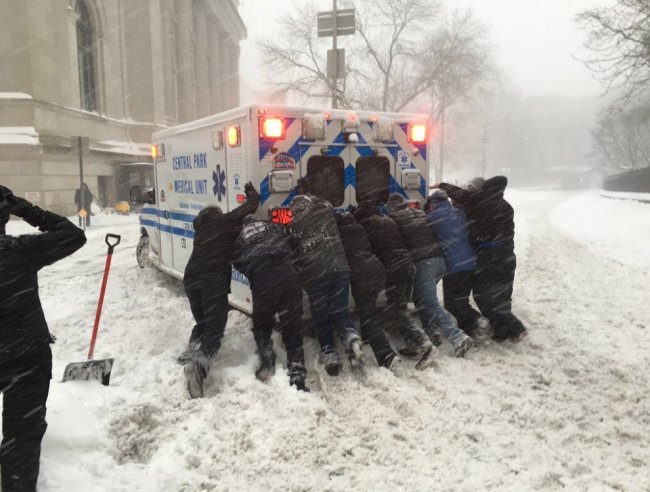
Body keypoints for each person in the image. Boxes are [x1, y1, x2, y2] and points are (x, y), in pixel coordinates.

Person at [0, 185, 86, 492]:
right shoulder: (17, 250)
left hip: (25, 355)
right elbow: (74, 235)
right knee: (22, 437)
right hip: (26, 357)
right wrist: (26, 209)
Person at [181, 182, 260, 398]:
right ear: (217, 214)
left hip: (191, 278)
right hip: (212, 278)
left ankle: (192, 351)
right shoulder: (224, 222)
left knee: (204, 324)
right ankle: (198, 367)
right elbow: (251, 205)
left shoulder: (202, 230)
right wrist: (251, 193)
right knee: (214, 330)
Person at [437, 176, 528, 342]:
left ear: (489, 189)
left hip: (491, 256)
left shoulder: (485, 201)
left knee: (482, 295)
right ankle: (502, 332)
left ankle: (515, 327)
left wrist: (443, 185)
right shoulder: (506, 207)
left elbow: (463, 196)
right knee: (502, 295)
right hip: (507, 256)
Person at [386, 193, 475, 357]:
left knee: (429, 302)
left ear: (391, 206)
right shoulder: (421, 213)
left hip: (424, 263)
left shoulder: (393, 218)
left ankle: (458, 338)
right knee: (422, 300)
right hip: (439, 261)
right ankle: (432, 333)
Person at [353, 201, 436, 369]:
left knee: (397, 310)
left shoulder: (365, 226)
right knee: (400, 307)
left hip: (394, 268)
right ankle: (414, 342)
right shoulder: (388, 220)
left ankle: (425, 345)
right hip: (407, 264)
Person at [288, 194, 363, 376]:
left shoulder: (294, 225)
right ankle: (351, 337)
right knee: (340, 310)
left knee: (321, 317)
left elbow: (292, 250)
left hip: (316, 273)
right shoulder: (326, 212)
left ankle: (330, 353)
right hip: (340, 268)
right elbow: (325, 202)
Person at [233, 214, 309, 391]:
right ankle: (297, 372)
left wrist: (254, 271)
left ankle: (267, 363)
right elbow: (293, 243)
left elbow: (237, 263)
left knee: (262, 324)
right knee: (292, 327)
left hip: (264, 280)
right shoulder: (274, 228)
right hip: (289, 276)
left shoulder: (240, 239)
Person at [335, 212, 401, 370]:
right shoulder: (359, 228)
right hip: (376, 268)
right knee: (368, 309)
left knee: (368, 317)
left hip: (361, 273)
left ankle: (387, 356)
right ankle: (367, 336)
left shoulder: (339, 233)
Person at [425, 189, 484, 337]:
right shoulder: (459, 213)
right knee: (462, 301)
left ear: (434, 203)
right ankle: (470, 331)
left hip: (454, 265)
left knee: (452, 303)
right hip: (470, 262)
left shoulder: (433, 216)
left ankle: (478, 322)